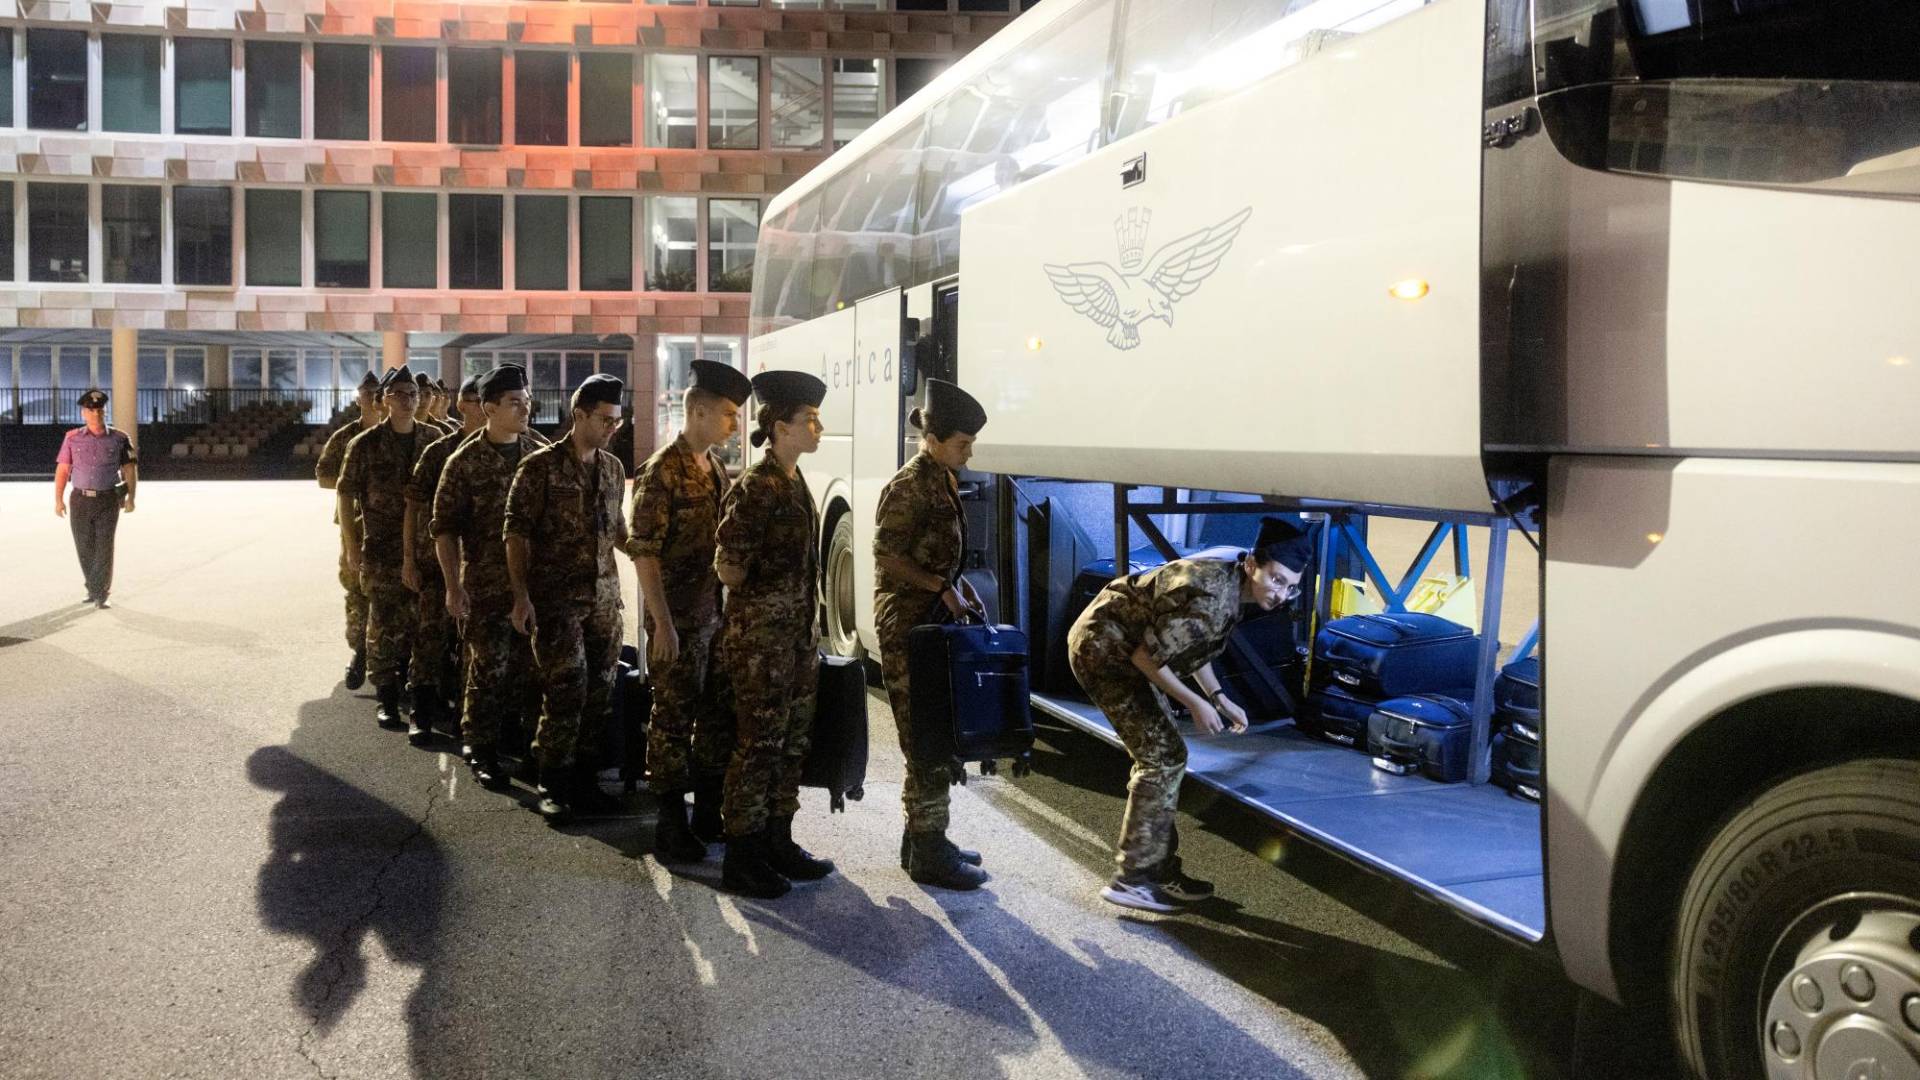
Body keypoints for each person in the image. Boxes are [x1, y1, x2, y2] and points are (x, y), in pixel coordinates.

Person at [1067, 517, 1314, 913]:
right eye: (1276, 579)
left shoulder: (1231, 579)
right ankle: (1133, 879)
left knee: (1166, 754)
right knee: (1162, 758)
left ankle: (1157, 868)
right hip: (1105, 651)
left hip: (1123, 645)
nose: (1281, 594)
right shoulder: (1215, 599)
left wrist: (1218, 697)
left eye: (1291, 586)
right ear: (1253, 564)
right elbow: (1147, 656)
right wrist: (1197, 704)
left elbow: (1192, 644)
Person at [712, 370, 833, 899]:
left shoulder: (793, 479)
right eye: (810, 419)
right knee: (757, 746)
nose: (819, 427)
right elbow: (728, 568)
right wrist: (767, 603)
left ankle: (777, 840)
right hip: (761, 644)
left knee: (789, 745)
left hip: (795, 642)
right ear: (781, 426)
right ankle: (742, 855)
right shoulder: (757, 487)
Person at [625, 359, 750, 863]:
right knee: (672, 720)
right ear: (697, 411)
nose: (735, 424)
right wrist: (662, 625)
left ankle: (706, 812)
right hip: (678, 621)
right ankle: (670, 824)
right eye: (727, 414)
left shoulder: (714, 467)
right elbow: (644, 551)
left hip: (712, 619)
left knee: (715, 716)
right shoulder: (661, 472)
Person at [872, 379, 991, 890]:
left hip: (930, 622)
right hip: (908, 626)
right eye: (962, 443)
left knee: (934, 731)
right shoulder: (910, 486)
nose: (969, 452)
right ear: (935, 439)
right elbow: (886, 555)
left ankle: (922, 838)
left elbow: (938, 554)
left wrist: (958, 588)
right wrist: (940, 587)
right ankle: (928, 851)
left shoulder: (940, 477)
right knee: (926, 739)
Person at [504, 373, 631, 821]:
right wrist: (521, 596)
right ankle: (552, 780)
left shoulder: (613, 469)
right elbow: (515, 533)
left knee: (600, 690)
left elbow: (619, 532)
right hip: (556, 601)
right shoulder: (539, 467)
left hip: (603, 600)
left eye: (618, 420)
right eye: (605, 419)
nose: (613, 428)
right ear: (578, 415)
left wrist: (651, 559)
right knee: (566, 687)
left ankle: (585, 780)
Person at [434, 365, 542, 790]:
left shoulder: (538, 451)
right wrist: (453, 587)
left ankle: (521, 744)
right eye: (515, 403)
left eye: (527, 401)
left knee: (530, 669)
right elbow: (444, 528)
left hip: (531, 585)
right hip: (485, 584)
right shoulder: (464, 462)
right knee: (488, 669)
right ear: (489, 408)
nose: (525, 409)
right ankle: (480, 748)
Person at [338, 367, 428, 733]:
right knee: (382, 623)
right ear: (385, 399)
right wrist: (351, 546)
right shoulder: (365, 444)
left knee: (425, 626)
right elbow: (345, 493)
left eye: (412, 394)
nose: (407, 401)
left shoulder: (433, 441)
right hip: (380, 547)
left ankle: (420, 697)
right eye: (399, 394)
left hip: (425, 550)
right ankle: (386, 699)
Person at [402, 375, 484, 746]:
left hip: (486, 568)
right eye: (474, 400)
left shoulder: (522, 447)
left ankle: (463, 716)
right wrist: (409, 559)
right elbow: (414, 507)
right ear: (462, 405)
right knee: (431, 635)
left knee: (475, 646)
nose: (481, 408)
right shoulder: (440, 451)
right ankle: (421, 709)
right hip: (438, 562)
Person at [317, 370, 384, 689]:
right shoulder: (345, 437)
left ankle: (388, 657)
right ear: (358, 399)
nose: (371, 399)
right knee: (356, 587)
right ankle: (360, 652)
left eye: (376, 394)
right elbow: (323, 476)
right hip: (353, 523)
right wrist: (355, 484)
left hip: (390, 524)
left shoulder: (396, 433)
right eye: (366, 394)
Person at [52, 388, 137, 610]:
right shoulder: (72, 438)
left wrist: (131, 498)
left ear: (105, 412)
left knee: (104, 547)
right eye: (91, 410)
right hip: (80, 499)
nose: (96, 414)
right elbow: (63, 469)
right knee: (84, 547)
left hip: (108, 500)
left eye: (100, 410)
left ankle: (101, 593)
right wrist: (58, 499)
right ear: (83, 413)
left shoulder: (119, 438)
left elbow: (129, 470)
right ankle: (93, 587)